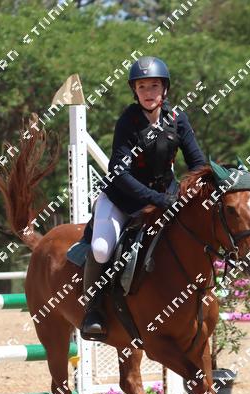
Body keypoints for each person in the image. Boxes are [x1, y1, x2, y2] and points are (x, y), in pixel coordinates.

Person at [80, 56, 207, 339]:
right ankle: (93, 310)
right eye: (142, 87)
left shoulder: (177, 119)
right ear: (134, 91)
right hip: (122, 199)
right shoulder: (128, 122)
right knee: (101, 248)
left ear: (165, 89)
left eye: (154, 86)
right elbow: (119, 173)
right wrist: (156, 199)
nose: (148, 92)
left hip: (166, 197)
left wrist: (194, 189)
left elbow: (197, 162)